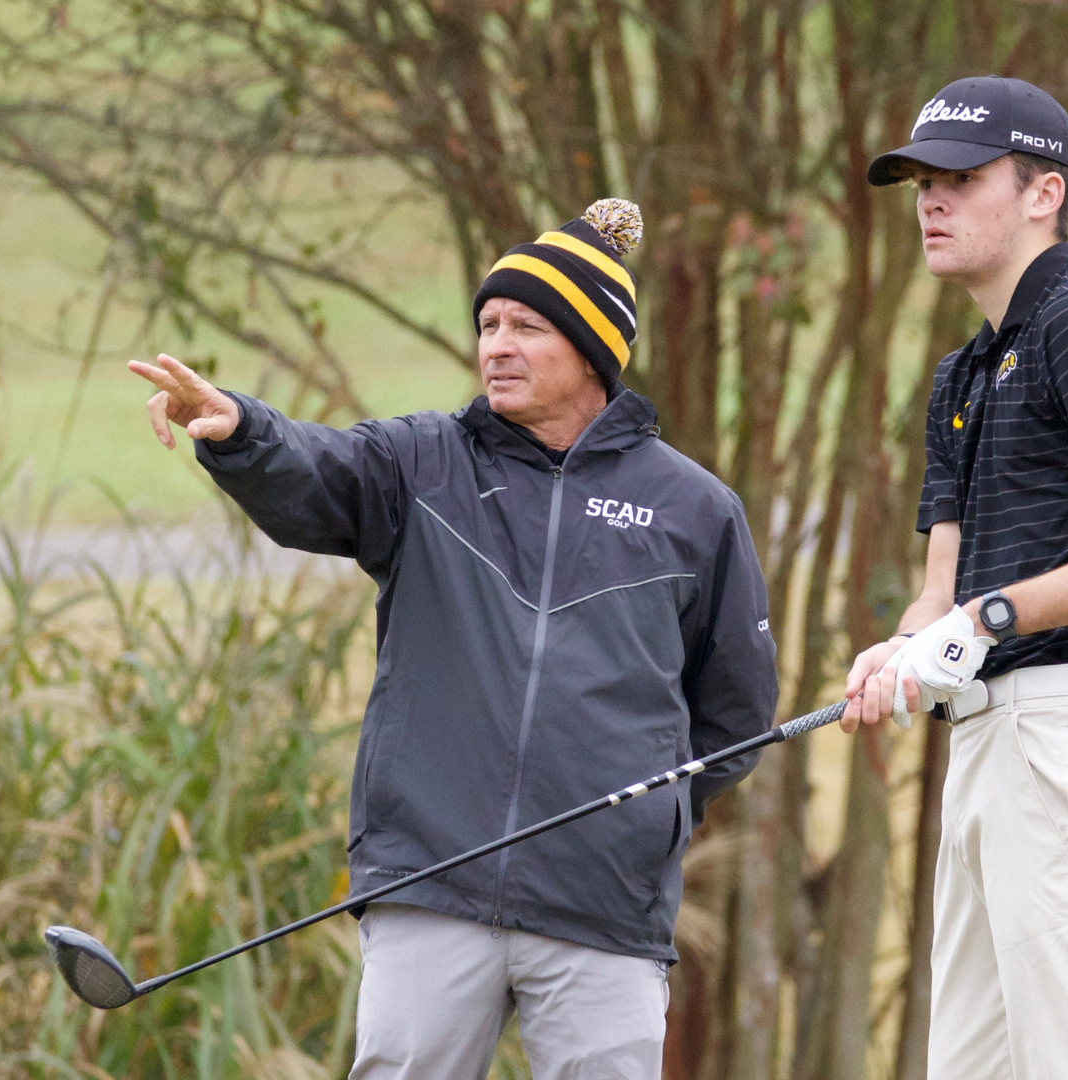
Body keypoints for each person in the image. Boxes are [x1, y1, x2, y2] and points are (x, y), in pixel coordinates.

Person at [128, 199, 779, 1080]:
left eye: (527, 326)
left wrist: (646, 820)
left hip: (603, 906)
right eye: (488, 324)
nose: (496, 345)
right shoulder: (422, 463)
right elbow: (317, 472)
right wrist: (244, 433)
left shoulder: (695, 510)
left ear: (592, 348)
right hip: (430, 884)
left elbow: (734, 715)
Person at [841, 78, 1068, 1080]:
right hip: (984, 743)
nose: (932, 199)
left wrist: (994, 617)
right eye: (923, 179)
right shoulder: (962, 374)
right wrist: (905, 646)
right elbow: (944, 586)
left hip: (1064, 733)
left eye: (959, 178)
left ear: (1043, 192)